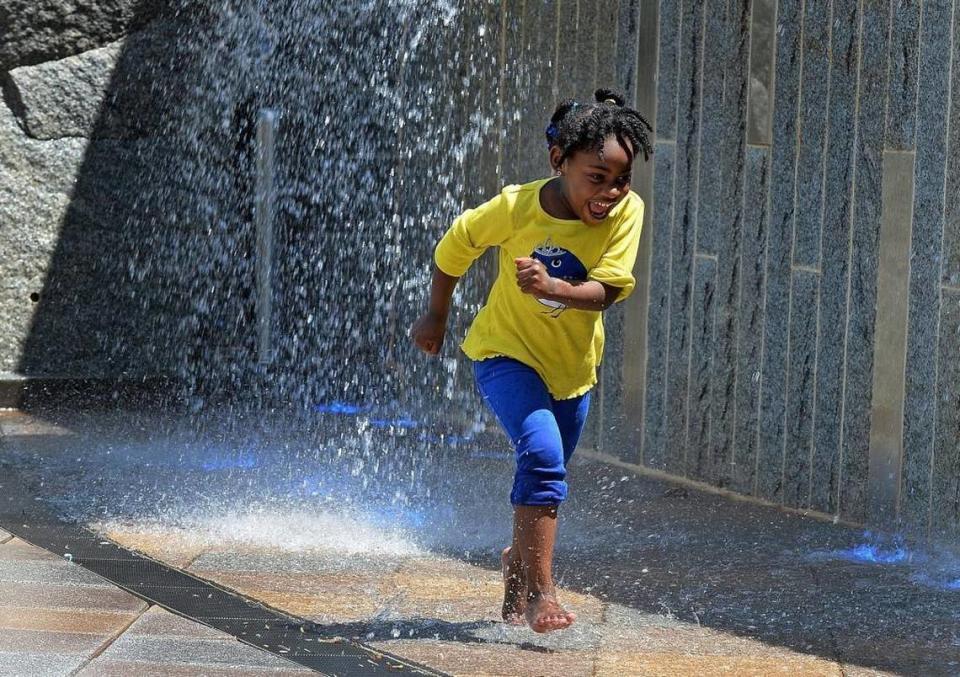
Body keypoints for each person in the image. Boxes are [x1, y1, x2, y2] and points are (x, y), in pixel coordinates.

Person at [410, 88, 652, 633]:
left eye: (621, 179)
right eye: (597, 178)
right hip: (505, 355)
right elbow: (454, 248)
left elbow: (609, 291)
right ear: (558, 163)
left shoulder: (626, 213)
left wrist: (554, 287)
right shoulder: (517, 206)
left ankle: (517, 577)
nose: (611, 192)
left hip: (571, 372)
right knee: (543, 457)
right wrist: (436, 315)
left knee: (543, 471)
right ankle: (544, 593)